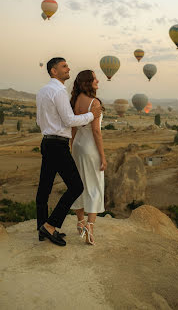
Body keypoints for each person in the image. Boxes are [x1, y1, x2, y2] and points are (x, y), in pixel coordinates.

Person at [36, 58, 101, 246]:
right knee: (76, 187)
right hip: (58, 144)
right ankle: (50, 226)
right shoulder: (59, 91)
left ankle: (42, 229)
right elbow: (69, 120)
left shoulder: (42, 91)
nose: (68, 68)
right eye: (64, 66)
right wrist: (92, 115)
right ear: (53, 71)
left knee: (44, 189)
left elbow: (40, 121)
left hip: (47, 142)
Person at [70, 70, 106, 245]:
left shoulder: (76, 100)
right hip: (90, 148)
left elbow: (73, 128)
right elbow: (96, 131)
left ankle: (80, 222)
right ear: (88, 82)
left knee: (79, 184)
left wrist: (71, 147)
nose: (98, 80)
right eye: (94, 78)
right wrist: (103, 157)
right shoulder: (95, 102)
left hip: (77, 146)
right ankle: (90, 227)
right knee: (95, 186)